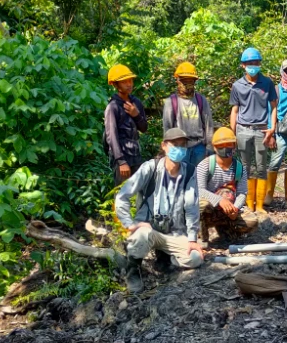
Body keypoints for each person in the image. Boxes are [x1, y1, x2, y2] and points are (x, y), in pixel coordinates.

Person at [114, 128, 204, 292]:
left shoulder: (190, 171)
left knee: (195, 258)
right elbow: (122, 196)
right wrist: (130, 224)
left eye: (183, 145)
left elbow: (192, 206)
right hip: (149, 229)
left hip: (174, 232)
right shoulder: (150, 168)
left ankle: (166, 260)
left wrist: (192, 238)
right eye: (175, 144)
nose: (179, 149)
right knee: (142, 234)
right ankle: (133, 271)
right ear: (164, 146)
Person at [230, 47, 279, 214]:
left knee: (261, 167)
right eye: (250, 63)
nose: (253, 65)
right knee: (245, 167)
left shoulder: (267, 83)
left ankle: (260, 205)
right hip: (242, 129)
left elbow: (274, 107)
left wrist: (272, 128)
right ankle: (249, 203)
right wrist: (232, 134)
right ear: (243, 65)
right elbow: (234, 111)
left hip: (262, 130)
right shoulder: (237, 86)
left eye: (256, 62)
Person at [193, 127, 254, 243]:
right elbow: (199, 190)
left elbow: (242, 193)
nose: (225, 148)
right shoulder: (205, 165)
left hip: (229, 210)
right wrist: (219, 200)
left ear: (234, 145)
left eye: (229, 144)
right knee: (199, 205)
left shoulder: (240, 168)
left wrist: (236, 208)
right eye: (221, 145)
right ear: (214, 147)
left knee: (252, 221)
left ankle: (226, 230)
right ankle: (201, 237)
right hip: (209, 210)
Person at [162, 61, 213, 180]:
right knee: (179, 179)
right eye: (184, 80)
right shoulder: (171, 102)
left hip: (199, 147)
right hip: (179, 148)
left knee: (199, 179)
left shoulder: (201, 100)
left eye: (190, 81)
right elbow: (167, 128)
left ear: (195, 81)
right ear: (178, 80)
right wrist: (168, 150)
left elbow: (208, 125)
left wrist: (209, 148)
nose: (187, 84)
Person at [104, 64, 148, 185]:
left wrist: (136, 115)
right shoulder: (113, 107)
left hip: (135, 154)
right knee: (122, 192)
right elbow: (111, 136)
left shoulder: (136, 102)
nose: (129, 84)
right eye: (124, 82)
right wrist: (121, 161)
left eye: (130, 80)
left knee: (138, 190)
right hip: (122, 157)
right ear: (115, 84)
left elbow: (144, 128)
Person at [266, 59, 287, 207]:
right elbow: (270, 113)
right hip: (280, 131)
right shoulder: (275, 90)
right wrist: (271, 135)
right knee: (275, 163)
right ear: (282, 71)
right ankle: (268, 194)